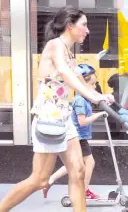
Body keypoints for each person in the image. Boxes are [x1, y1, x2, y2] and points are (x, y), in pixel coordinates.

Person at [0, 6, 114, 212]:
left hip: (64, 119)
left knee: (77, 170)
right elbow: (67, 76)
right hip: (49, 120)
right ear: (70, 25)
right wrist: (94, 97)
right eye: (84, 25)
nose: (87, 30)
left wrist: (99, 95)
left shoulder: (69, 51)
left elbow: (77, 81)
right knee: (39, 180)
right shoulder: (55, 46)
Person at [42, 64, 107, 200]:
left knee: (74, 164)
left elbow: (96, 96)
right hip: (77, 137)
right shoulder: (79, 100)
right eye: (93, 84)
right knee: (89, 162)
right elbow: (82, 121)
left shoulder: (83, 97)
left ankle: (50, 180)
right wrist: (99, 115)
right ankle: (84, 190)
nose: (95, 87)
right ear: (83, 83)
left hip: (80, 136)